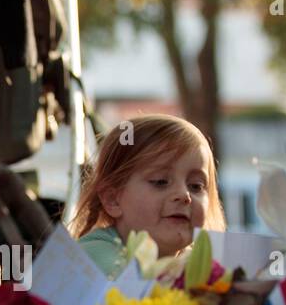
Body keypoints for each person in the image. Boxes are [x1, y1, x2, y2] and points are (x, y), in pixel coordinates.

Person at [69, 114, 227, 278]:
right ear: (113, 199)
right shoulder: (94, 256)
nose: (184, 195)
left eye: (196, 186)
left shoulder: (193, 264)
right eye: (160, 182)